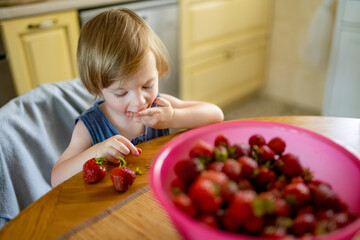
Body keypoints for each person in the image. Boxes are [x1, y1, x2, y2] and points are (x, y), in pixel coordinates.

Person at [51, 9, 224, 187]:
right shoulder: (89, 126)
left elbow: (215, 114)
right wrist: (97, 152)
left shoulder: (159, 105)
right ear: (98, 87)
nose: (139, 101)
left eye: (147, 85)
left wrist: (173, 118)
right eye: (121, 93)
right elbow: (57, 178)